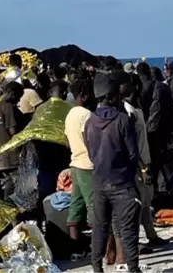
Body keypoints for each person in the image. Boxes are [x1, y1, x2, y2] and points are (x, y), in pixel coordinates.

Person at [85, 73, 142, 273]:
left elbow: (91, 152)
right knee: (128, 230)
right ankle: (133, 269)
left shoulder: (89, 122)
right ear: (111, 97)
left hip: (99, 182)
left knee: (99, 229)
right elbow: (133, 154)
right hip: (122, 183)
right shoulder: (123, 121)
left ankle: (96, 267)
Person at [115, 72, 167, 248]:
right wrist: (143, 167)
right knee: (137, 203)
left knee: (146, 201)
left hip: (144, 159)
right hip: (138, 164)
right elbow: (132, 143)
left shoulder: (135, 108)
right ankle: (133, 242)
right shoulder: (128, 112)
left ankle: (151, 235)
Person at [65, 80, 96, 248]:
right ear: (83, 96)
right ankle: (101, 246)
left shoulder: (70, 114)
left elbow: (68, 141)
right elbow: (89, 139)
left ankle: (74, 247)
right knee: (94, 206)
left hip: (75, 162)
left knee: (76, 204)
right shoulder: (86, 115)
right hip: (87, 164)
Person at [137, 63, 173, 193]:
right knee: (164, 158)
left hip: (150, 129)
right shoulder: (164, 86)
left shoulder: (142, 89)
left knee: (152, 160)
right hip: (164, 127)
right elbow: (171, 108)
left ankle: (156, 189)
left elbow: (141, 110)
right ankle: (167, 185)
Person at [43, 169, 91, 260]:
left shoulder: (46, 201)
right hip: (69, 251)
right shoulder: (79, 202)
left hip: (52, 250)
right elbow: (83, 225)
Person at [0, 82, 24, 200]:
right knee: (10, 184)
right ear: (12, 93)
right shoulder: (7, 105)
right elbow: (12, 130)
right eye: (18, 96)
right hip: (8, 154)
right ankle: (8, 213)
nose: (18, 101)